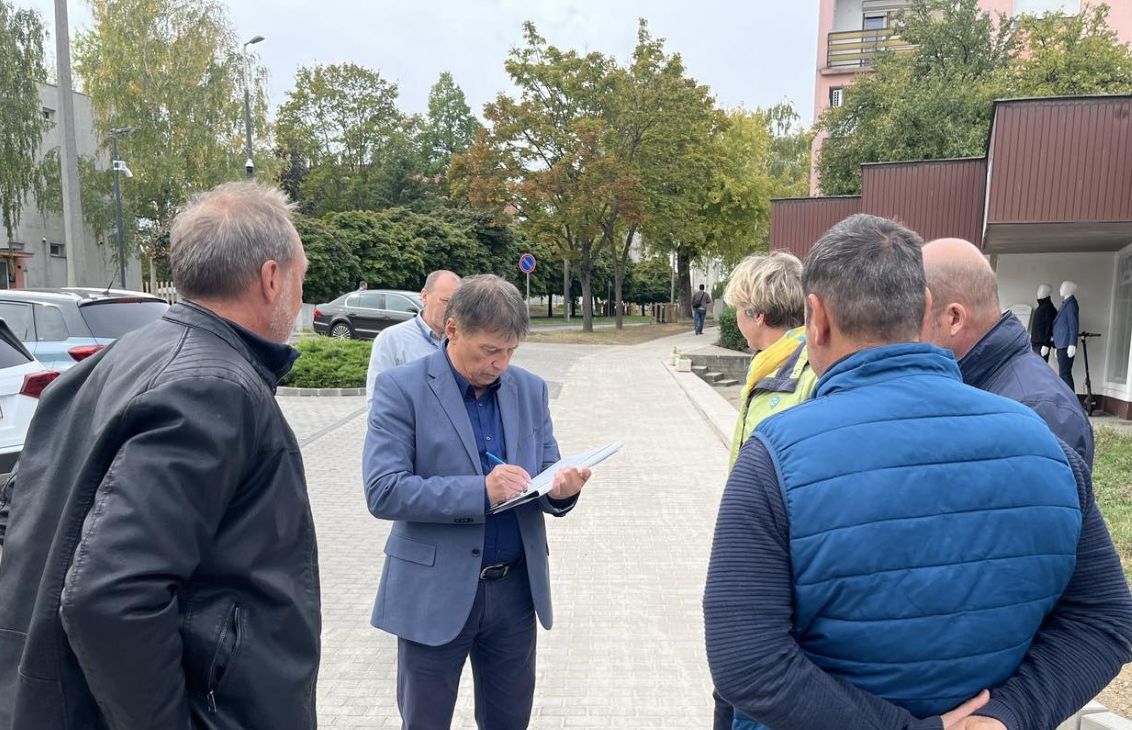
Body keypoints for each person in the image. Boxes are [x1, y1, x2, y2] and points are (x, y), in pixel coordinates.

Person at [704, 214, 1132, 730]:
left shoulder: (775, 458)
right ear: (926, 307)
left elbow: (746, 664)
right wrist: (1008, 714)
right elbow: (1105, 619)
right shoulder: (1047, 448)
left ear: (815, 317)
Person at [0, 182, 321, 729]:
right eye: (301, 276)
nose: (298, 293)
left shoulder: (109, 363)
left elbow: (18, 512)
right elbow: (110, 596)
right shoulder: (214, 388)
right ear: (272, 278)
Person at [364, 274, 589, 729]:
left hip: (514, 593)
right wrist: (480, 492)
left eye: (510, 351)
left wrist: (562, 493)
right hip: (434, 593)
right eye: (489, 350)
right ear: (452, 329)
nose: (499, 363)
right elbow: (384, 490)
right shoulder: (402, 388)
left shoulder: (530, 389)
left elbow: (547, 466)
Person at [714, 252, 817, 730]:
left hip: (780, 565)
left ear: (756, 315)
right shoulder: (769, 366)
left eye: (738, 307)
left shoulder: (806, 372)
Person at [921, 238, 1094, 466]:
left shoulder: (1040, 412)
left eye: (916, 319)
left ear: (954, 319)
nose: (912, 336)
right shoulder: (983, 383)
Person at [365, 269, 461, 409]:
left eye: (456, 305)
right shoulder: (391, 339)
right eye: (446, 301)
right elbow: (377, 399)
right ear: (424, 296)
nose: (451, 311)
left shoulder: (462, 340)